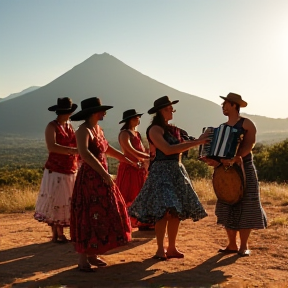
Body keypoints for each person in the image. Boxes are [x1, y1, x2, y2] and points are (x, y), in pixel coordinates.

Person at [129, 95, 210, 260]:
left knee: (175, 212)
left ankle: (171, 248)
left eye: (172, 107)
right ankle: (160, 249)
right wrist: (198, 143)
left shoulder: (173, 129)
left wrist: (203, 139)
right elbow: (167, 149)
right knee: (163, 211)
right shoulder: (154, 129)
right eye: (168, 108)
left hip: (176, 170)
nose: (172, 110)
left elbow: (183, 144)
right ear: (160, 111)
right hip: (161, 172)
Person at [69, 97, 135, 272]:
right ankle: (83, 259)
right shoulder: (83, 131)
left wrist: (125, 159)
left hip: (101, 178)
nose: (105, 113)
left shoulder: (98, 128)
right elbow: (85, 154)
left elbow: (106, 148)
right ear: (94, 112)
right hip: (90, 179)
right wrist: (104, 173)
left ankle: (93, 254)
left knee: (104, 213)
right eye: (102, 110)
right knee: (87, 215)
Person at [206, 92, 267, 257]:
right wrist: (214, 161)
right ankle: (232, 244)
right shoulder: (221, 128)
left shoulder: (247, 124)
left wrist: (237, 157)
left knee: (247, 204)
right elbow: (217, 151)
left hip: (244, 167)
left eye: (225, 104)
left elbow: (249, 144)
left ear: (233, 104)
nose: (223, 107)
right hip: (225, 170)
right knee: (227, 204)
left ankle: (244, 245)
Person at [34, 97, 79, 243]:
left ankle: (57, 233)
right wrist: (74, 150)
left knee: (65, 199)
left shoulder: (69, 125)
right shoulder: (51, 126)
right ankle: (58, 233)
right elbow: (52, 147)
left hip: (70, 168)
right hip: (56, 169)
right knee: (57, 199)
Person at [115, 109, 152, 230]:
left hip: (139, 168)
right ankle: (126, 222)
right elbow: (130, 150)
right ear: (131, 119)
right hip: (129, 168)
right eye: (137, 117)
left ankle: (141, 221)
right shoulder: (124, 133)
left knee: (140, 194)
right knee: (128, 194)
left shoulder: (136, 133)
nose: (139, 119)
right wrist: (147, 157)